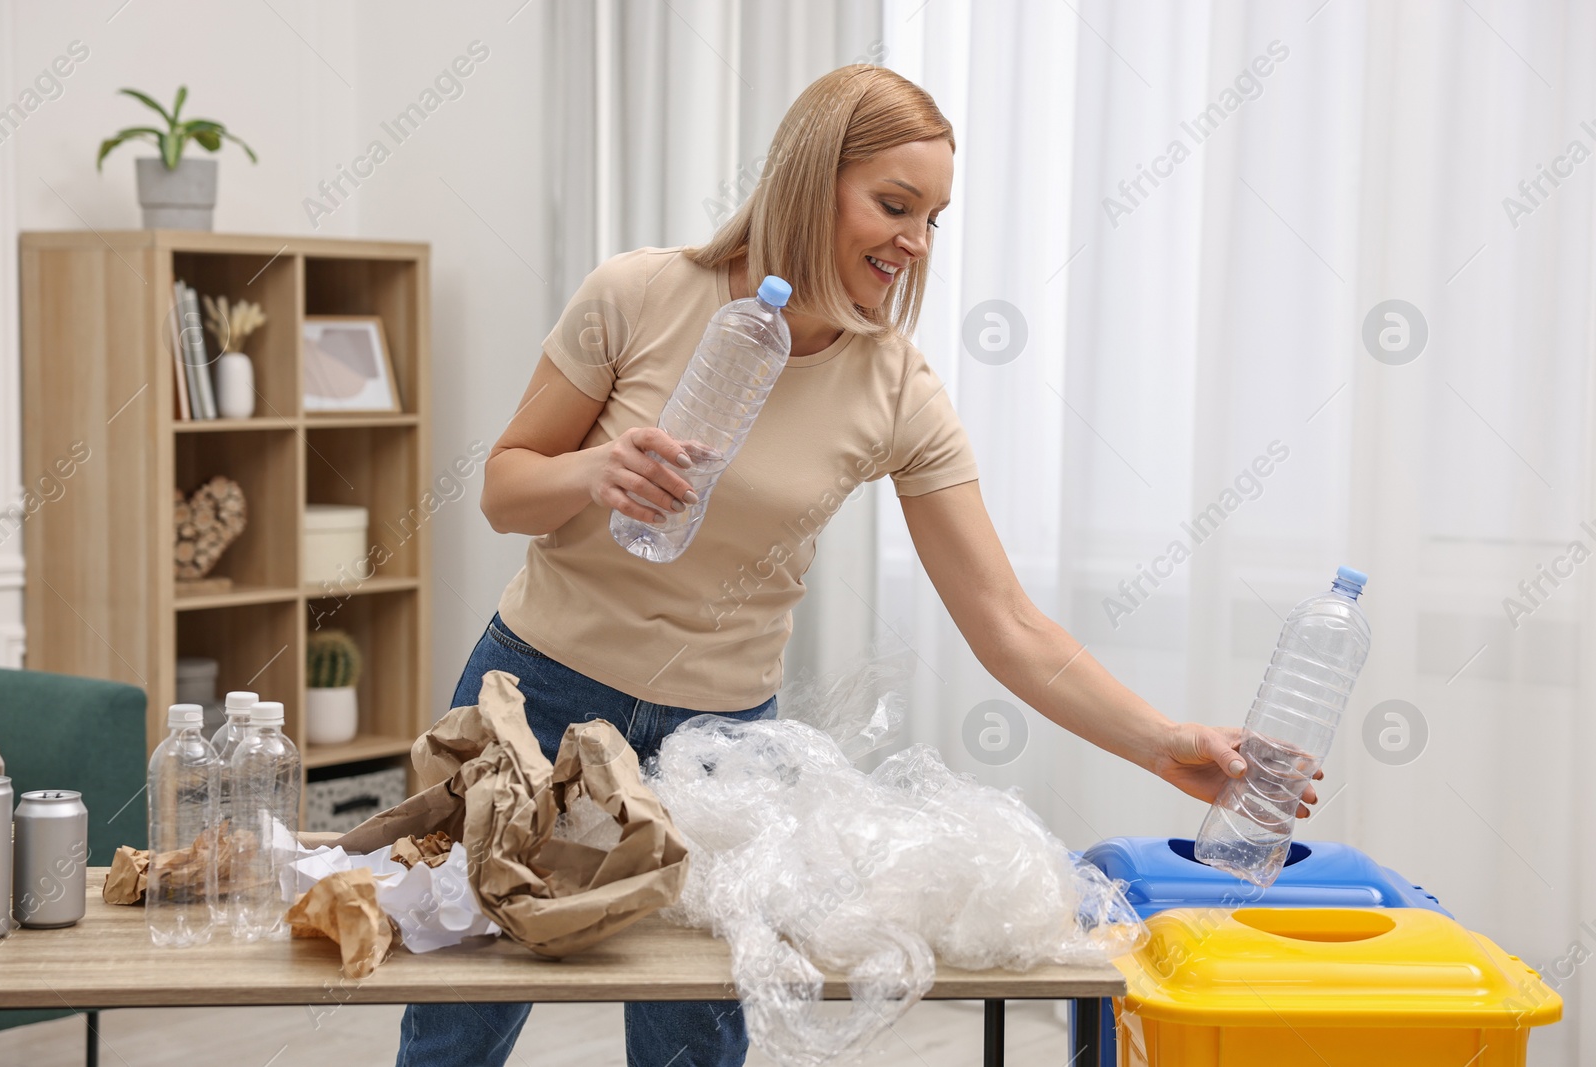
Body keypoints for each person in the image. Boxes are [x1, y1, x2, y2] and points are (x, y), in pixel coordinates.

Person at [395, 63, 1321, 1067]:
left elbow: (1005, 619)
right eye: (893, 204)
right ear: (808, 179)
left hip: (716, 752)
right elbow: (501, 488)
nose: (915, 241)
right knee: (462, 1012)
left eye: (933, 217)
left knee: (694, 1043)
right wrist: (596, 469)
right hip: (537, 701)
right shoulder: (640, 292)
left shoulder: (895, 388)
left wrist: (1160, 740)